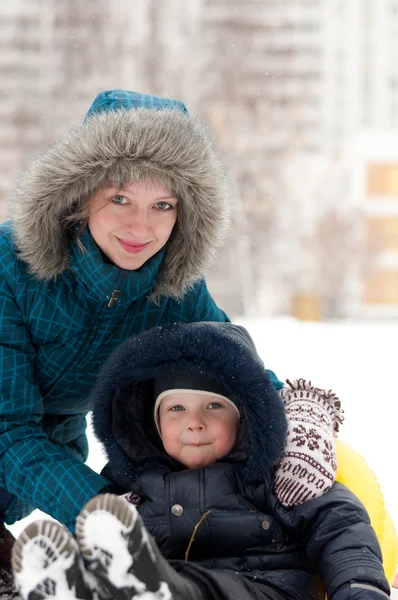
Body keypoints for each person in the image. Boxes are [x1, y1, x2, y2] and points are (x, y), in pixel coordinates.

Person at [11, 322, 389, 600]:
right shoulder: (134, 485)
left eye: (214, 406)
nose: (194, 422)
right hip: (160, 583)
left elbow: (341, 527)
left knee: (201, 589)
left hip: (263, 589)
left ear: (244, 417)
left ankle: (154, 588)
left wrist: (360, 587)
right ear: (152, 424)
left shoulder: (278, 474)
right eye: (176, 408)